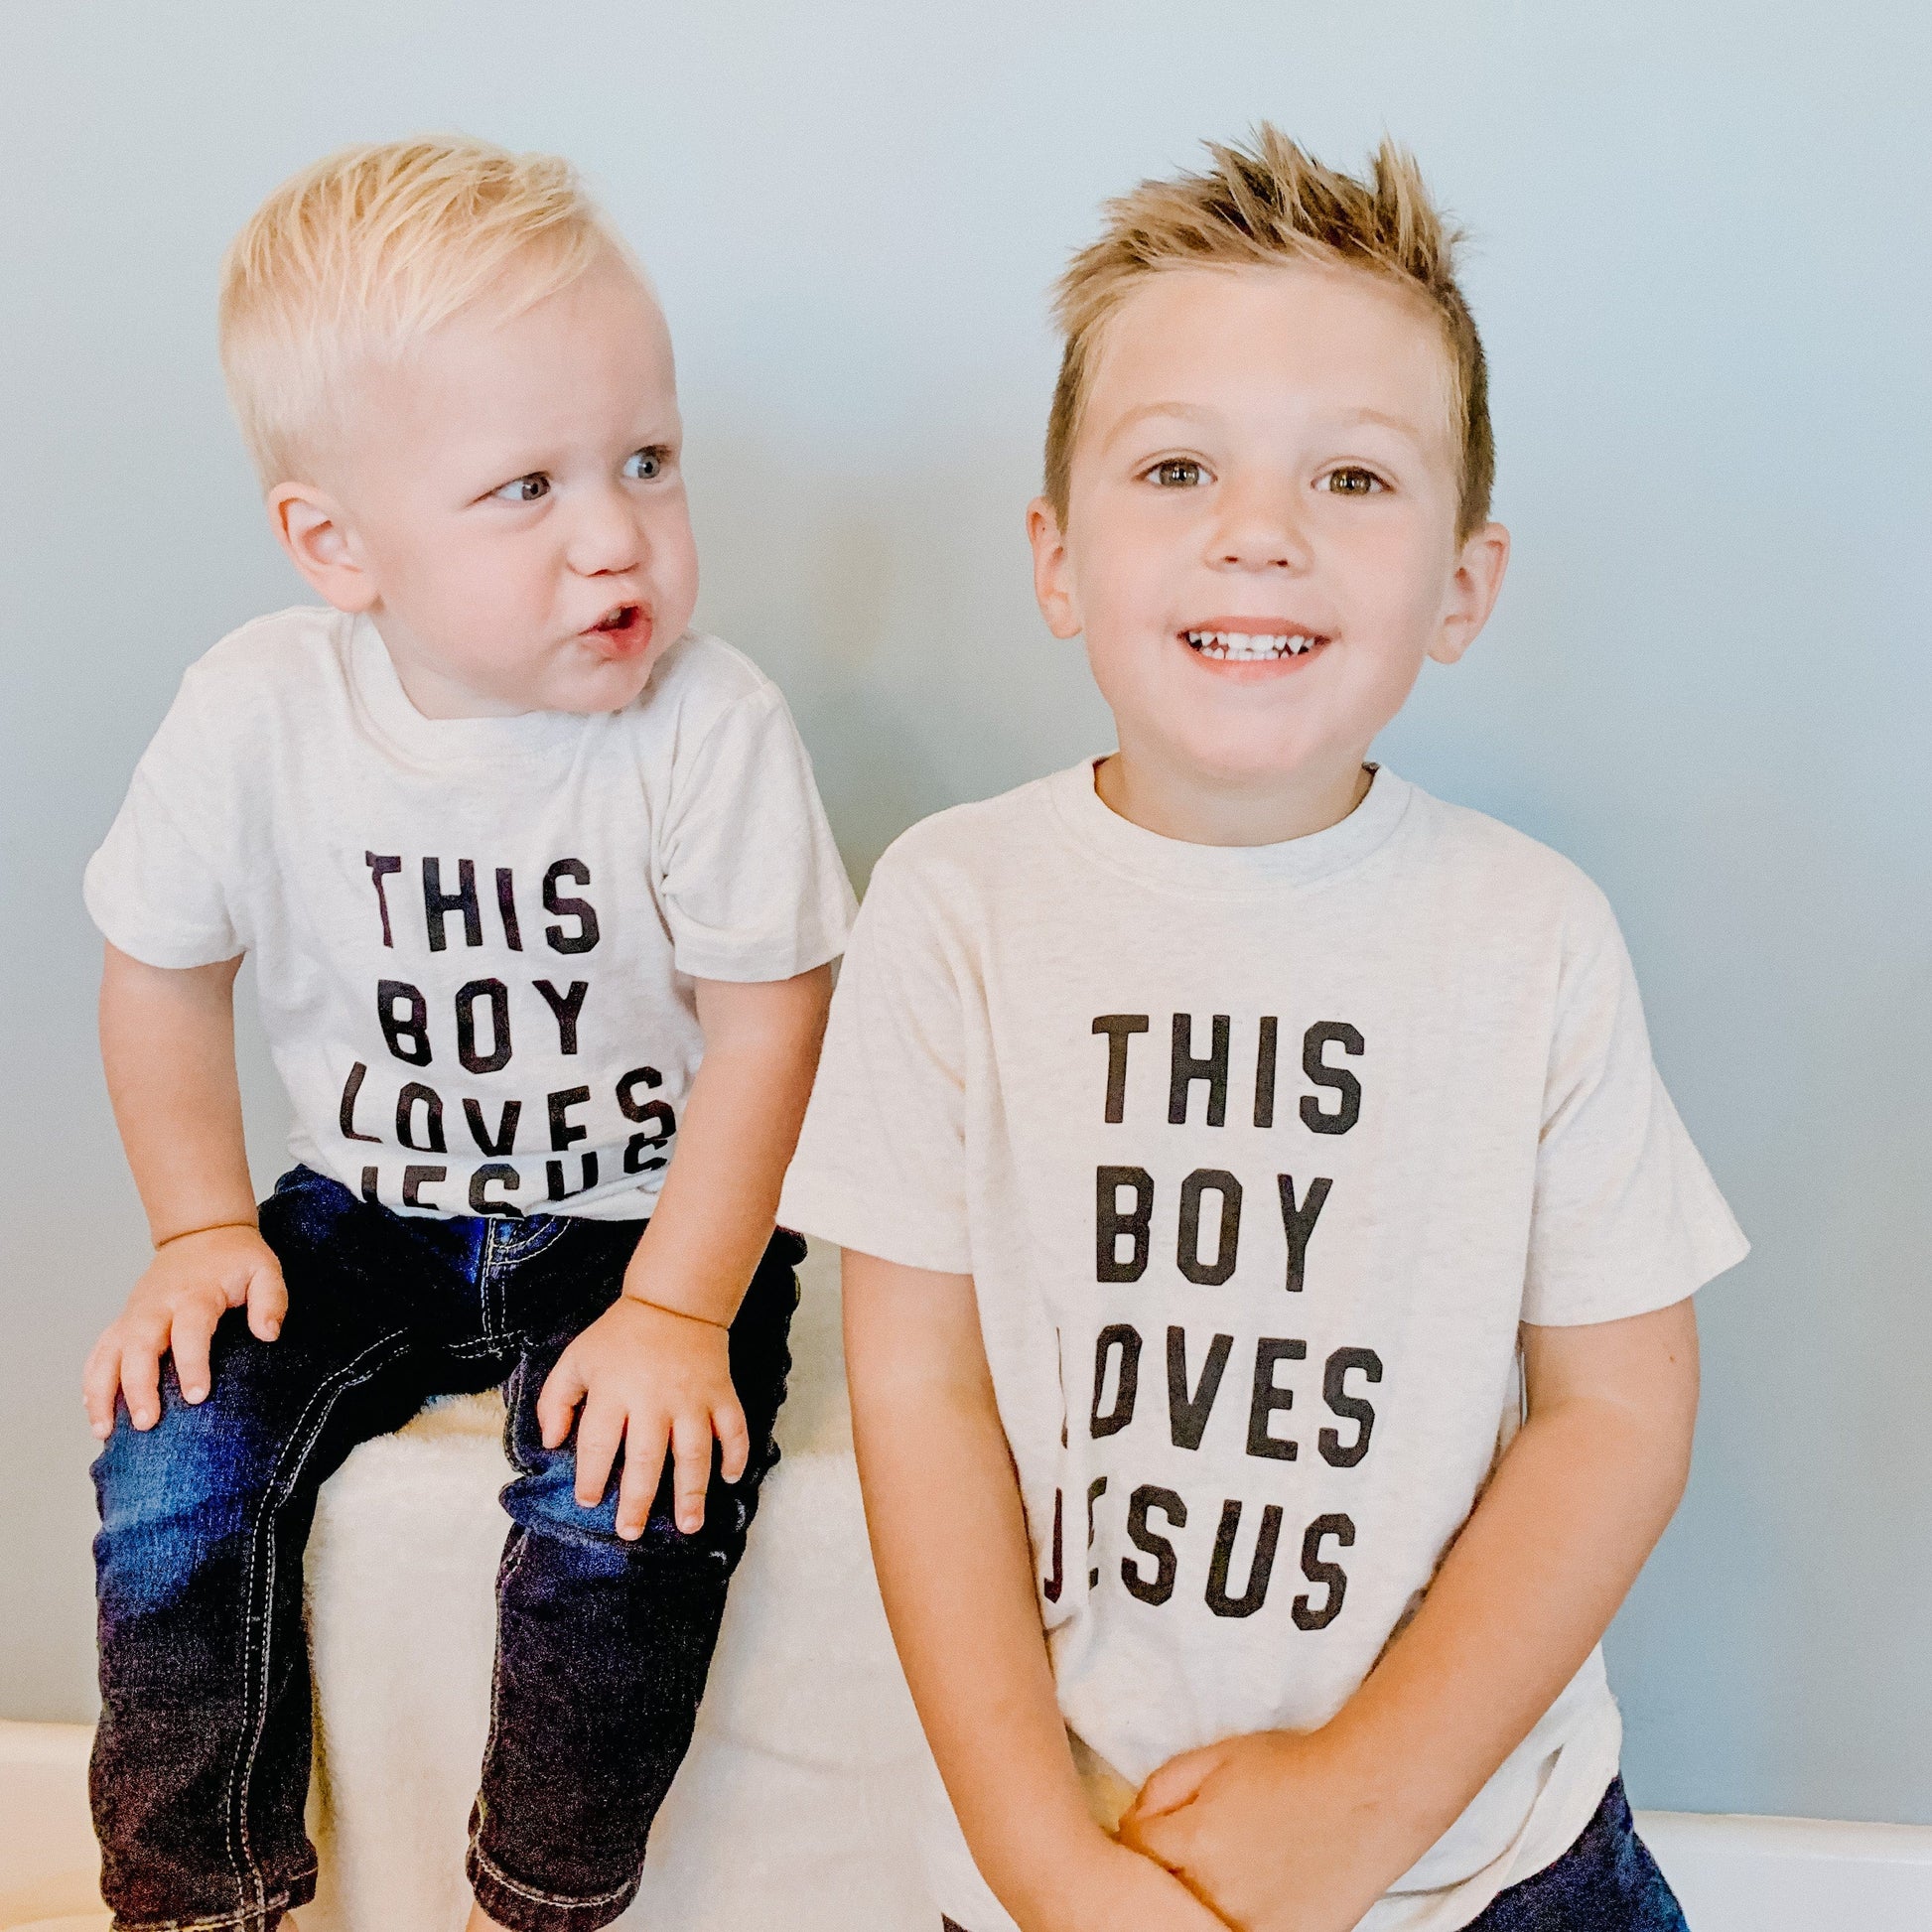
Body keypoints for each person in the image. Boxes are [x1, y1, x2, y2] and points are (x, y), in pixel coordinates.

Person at [779, 128, 1744, 1932]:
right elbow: (919, 1393)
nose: (1258, 531)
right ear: (1057, 559)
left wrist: (1355, 1809)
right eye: (1177, 467)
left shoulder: (1529, 934)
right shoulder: (953, 908)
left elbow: (1616, 1412)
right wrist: (1046, 1862)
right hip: (1085, 1853)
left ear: (1461, 583)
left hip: (1487, 1861)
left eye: (1352, 477)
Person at [80, 136, 854, 1932]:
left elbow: (774, 1024)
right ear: (336, 544)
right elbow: (159, 967)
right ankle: (195, 1893)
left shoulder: (709, 725)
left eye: (646, 460)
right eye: (526, 488)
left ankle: (540, 1891)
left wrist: (680, 1307)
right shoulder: (259, 712)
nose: (616, 533)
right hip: (365, 1212)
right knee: (172, 1452)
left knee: (624, 1497)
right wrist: (198, 1226)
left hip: (637, 1222)